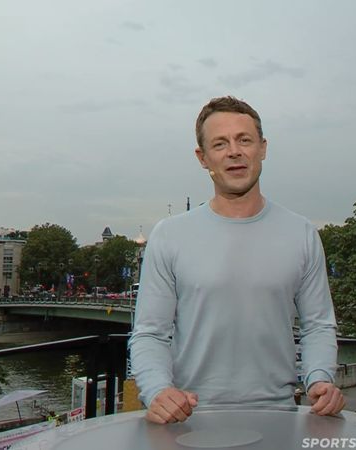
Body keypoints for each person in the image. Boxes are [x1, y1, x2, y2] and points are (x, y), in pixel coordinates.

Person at [129, 96, 344, 424]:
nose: (234, 151)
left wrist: (319, 378)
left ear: (263, 148)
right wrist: (158, 390)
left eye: (244, 140)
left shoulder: (302, 234)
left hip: (280, 420)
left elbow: (317, 324)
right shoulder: (169, 236)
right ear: (203, 158)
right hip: (191, 419)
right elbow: (150, 333)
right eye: (220, 143)